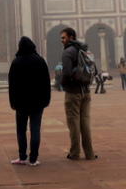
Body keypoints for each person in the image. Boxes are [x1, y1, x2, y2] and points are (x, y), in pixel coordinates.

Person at [9, 36, 51, 166]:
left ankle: (22, 157)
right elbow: (46, 83)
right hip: (38, 103)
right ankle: (33, 159)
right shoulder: (40, 61)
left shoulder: (16, 62)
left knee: (21, 130)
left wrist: (13, 102)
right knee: (35, 129)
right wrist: (46, 100)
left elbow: (12, 85)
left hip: (21, 103)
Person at [60, 27, 96, 161]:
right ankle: (90, 153)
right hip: (86, 91)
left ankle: (75, 153)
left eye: (63, 38)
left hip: (73, 92)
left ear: (71, 37)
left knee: (73, 123)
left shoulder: (67, 52)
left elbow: (67, 73)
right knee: (85, 123)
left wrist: (63, 84)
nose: (62, 40)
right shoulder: (84, 50)